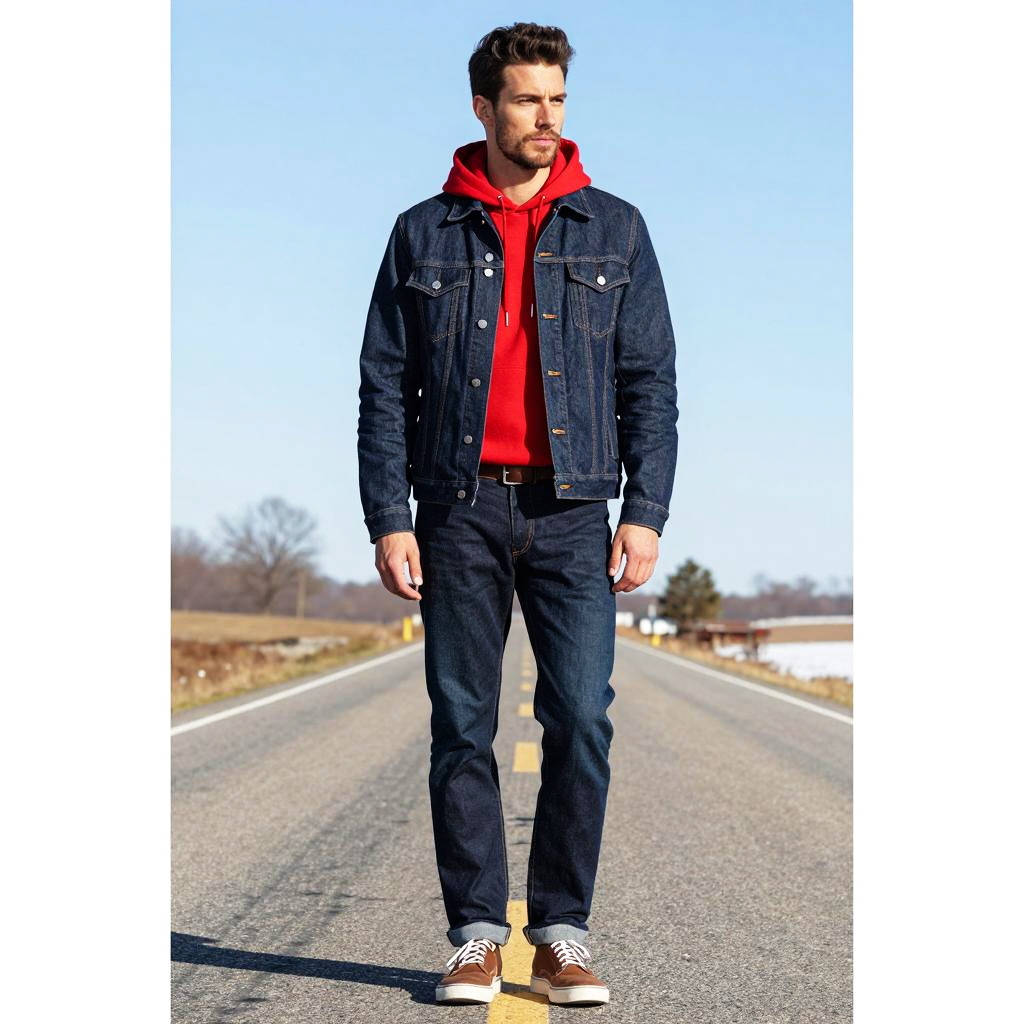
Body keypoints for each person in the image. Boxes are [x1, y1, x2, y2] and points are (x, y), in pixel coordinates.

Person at [356, 21, 678, 1007]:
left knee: (580, 716)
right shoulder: (423, 231)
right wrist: (389, 515)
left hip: (574, 508)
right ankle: (475, 936)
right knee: (462, 724)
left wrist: (645, 509)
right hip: (455, 509)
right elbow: (384, 385)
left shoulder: (615, 228)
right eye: (529, 99)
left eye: (558, 99)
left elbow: (650, 383)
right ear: (483, 107)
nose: (548, 117)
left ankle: (562, 933)